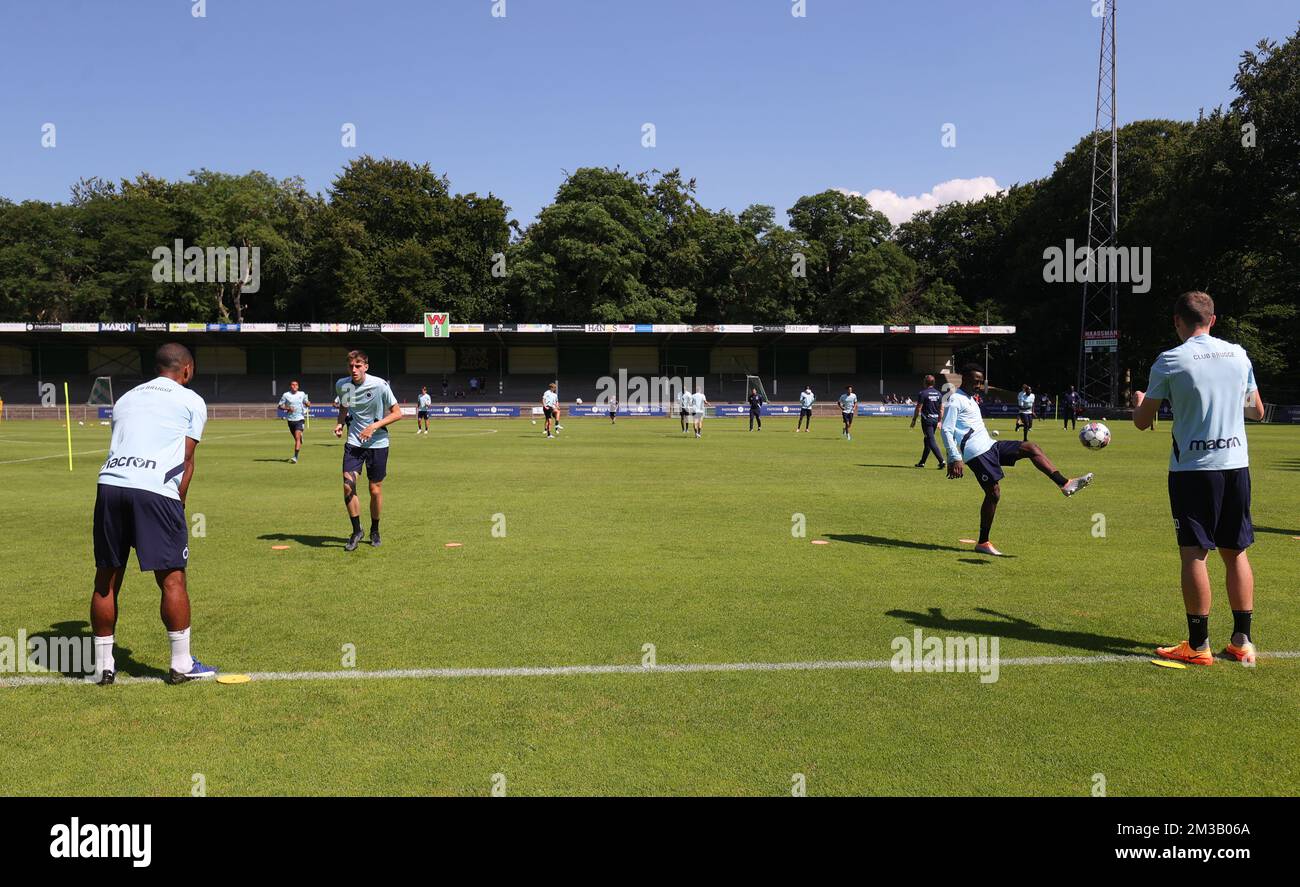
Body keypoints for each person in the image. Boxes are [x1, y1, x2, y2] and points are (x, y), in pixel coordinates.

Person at [1132, 291, 1263, 666]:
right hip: (1236, 464)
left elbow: (1143, 422)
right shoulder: (1238, 354)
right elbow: (1256, 410)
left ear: (1177, 322)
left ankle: (1199, 644)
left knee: (1194, 554)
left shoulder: (1171, 360)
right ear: (1213, 320)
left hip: (1193, 470)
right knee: (1235, 552)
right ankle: (1242, 641)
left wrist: (1138, 400)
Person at [90, 343, 216, 686]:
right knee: (172, 578)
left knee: (106, 578)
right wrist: (180, 503)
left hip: (110, 485)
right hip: (155, 489)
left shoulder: (126, 397)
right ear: (186, 369)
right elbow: (186, 459)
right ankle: (180, 664)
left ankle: (103, 667)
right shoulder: (191, 400)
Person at [942, 363, 1093, 557]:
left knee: (1031, 447)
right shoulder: (956, 399)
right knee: (994, 493)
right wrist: (954, 457)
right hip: (976, 453)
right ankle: (983, 542)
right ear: (965, 379)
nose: (979, 385)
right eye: (975, 381)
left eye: (981, 382)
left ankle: (1065, 483)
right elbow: (946, 429)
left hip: (990, 446)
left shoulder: (971, 399)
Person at [335, 350, 402, 551]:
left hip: (378, 444)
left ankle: (375, 529)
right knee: (348, 485)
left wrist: (374, 426)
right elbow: (344, 408)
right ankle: (357, 531)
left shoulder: (380, 385)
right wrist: (339, 424)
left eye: (358, 366)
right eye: (351, 366)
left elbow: (397, 413)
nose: (354, 370)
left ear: (366, 366)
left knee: (375, 490)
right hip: (354, 443)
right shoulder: (343, 385)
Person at [911, 374, 945, 469]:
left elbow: (918, 408)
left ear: (925, 382)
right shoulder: (939, 394)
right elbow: (941, 409)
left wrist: (914, 419)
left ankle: (941, 461)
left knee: (930, 440)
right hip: (935, 420)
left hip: (927, 421)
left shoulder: (923, 393)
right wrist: (939, 421)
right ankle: (922, 462)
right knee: (927, 440)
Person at [278, 380, 311, 463]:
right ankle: (300, 436)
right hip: (290, 420)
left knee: (297, 439)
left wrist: (308, 404)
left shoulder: (302, 394)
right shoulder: (286, 395)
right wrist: (288, 408)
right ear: (290, 386)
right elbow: (280, 406)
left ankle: (295, 457)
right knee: (297, 438)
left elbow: (307, 403)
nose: (294, 386)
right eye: (293, 385)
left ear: (298, 386)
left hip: (300, 418)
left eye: (296, 385)